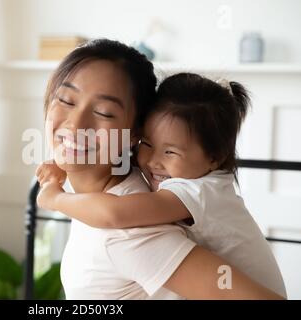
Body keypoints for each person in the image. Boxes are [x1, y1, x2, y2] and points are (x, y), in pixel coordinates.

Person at [37, 38, 283, 299]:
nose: (76, 125)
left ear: (134, 133)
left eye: (105, 113)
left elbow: (114, 215)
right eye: (66, 99)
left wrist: (55, 197)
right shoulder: (115, 184)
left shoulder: (133, 230)